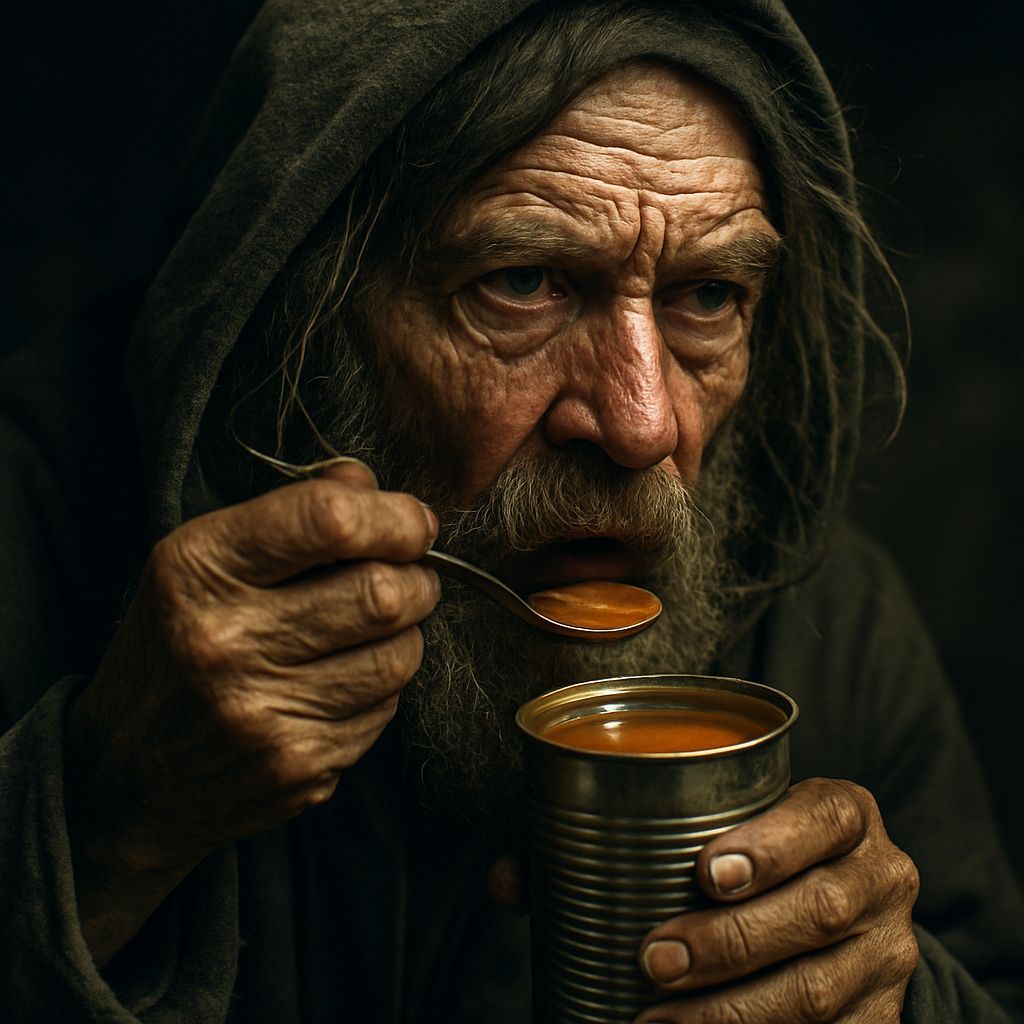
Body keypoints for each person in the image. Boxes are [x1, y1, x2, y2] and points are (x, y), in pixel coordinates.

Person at [1, 1, 1022, 1021]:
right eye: (523, 283)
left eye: (707, 297)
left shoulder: (824, 621)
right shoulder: (36, 513)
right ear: (299, 314)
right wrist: (106, 813)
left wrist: (896, 995)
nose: (639, 424)